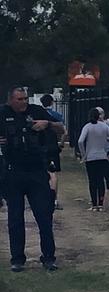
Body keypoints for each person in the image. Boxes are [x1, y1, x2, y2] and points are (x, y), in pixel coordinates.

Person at [0, 86, 64, 272]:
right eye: (19, 99)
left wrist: (47, 124)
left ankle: (49, 258)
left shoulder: (37, 111)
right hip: (13, 172)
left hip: (37, 171)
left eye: (25, 99)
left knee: (44, 216)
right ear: (10, 100)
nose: (23, 103)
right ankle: (17, 259)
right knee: (15, 218)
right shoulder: (3, 113)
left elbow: (61, 128)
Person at [77, 108, 109, 211]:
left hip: (90, 157)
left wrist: (84, 155)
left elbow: (81, 141)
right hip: (102, 156)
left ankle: (94, 204)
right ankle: (101, 203)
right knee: (100, 180)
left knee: (92, 181)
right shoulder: (104, 126)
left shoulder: (87, 127)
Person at [39, 94, 67, 210]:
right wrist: (61, 143)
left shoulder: (38, 115)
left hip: (41, 147)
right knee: (53, 174)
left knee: (41, 173)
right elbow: (65, 132)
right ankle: (54, 200)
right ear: (52, 102)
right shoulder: (57, 116)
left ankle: (42, 198)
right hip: (53, 146)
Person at [96, 106, 109, 205]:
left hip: (107, 151)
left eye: (101, 114)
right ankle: (100, 195)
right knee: (98, 175)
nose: (99, 116)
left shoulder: (108, 124)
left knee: (108, 174)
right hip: (96, 152)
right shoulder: (92, 125)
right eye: (97, 114)